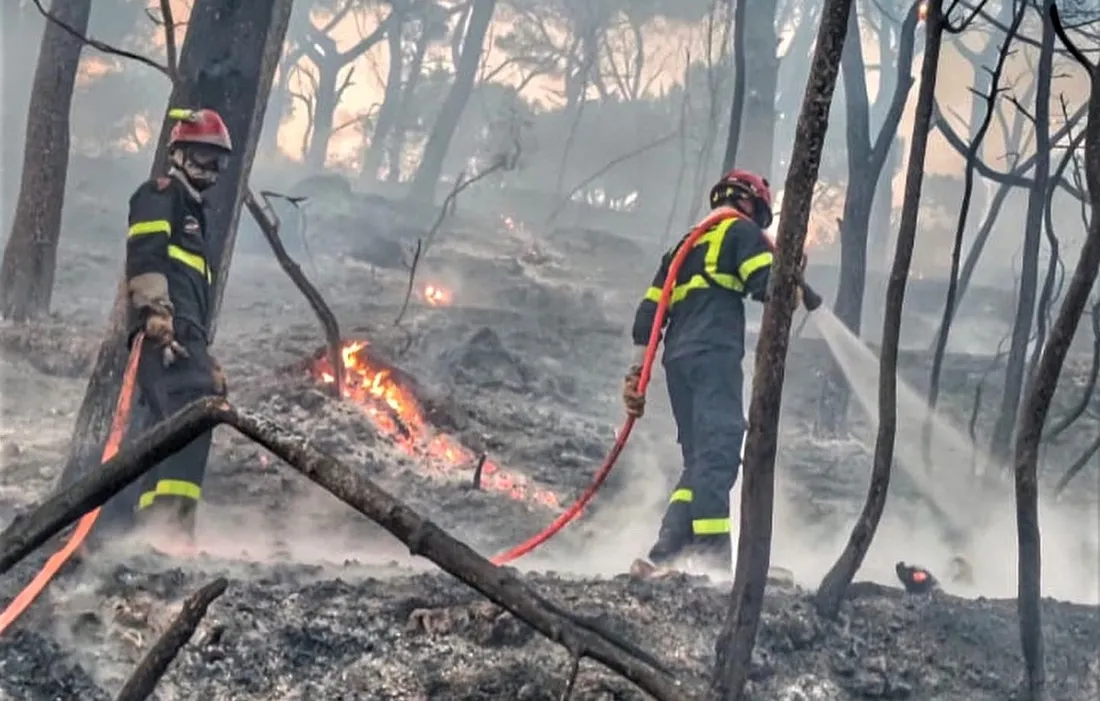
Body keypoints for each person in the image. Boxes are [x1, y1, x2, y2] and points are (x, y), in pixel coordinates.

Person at [622, 168, 800, 578]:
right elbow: (767, 285)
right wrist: (790, 280)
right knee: (718, 456)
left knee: (698, 462)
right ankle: (715, 565)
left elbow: (649, 313)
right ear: (749, 204)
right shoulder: (739, 232)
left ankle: (664, 557)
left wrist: (635, 374)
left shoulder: (684, 247)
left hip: (677, 363)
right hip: (714, 356)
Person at [122, 107, 233, 553]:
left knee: (171, 428)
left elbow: (191, 295)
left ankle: (156, 527)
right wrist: (155, 313)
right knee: (194, 415)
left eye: (218, 160)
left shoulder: (194, 216)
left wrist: (207, 354)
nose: (211, 168)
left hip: (187, 338)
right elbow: (146, 254)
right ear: (179, 154)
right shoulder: (159, 195)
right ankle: (171, 530)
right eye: (203, 156)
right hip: (165, 335)